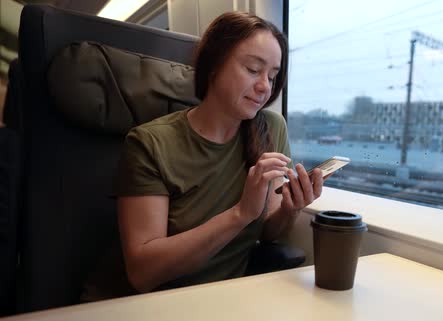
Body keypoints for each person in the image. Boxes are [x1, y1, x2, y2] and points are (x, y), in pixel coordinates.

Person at [82, 11, 324, 300]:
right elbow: (142, 273)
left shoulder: (270, 129)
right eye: (252, 69)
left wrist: (290, 208)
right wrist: (240, 214)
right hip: (143, 305)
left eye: (272, 76)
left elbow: (270, 231)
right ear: (213, 65)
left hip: (219, 301)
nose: (265, 87)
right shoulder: (149, 143)